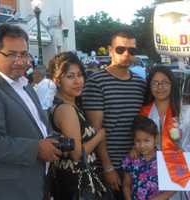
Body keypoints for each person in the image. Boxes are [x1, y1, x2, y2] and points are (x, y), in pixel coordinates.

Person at [0, 24, 61, 200]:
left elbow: (39, 125)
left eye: (24, 54)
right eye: (12, 54)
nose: (20, 61)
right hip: (10, 190)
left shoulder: (26, 85)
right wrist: (36, 149)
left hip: (36, 183)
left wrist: (52, 139)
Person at [82, 30, 146, 199]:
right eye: (120, 49)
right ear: (110, 50)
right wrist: (107, 167)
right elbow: (96, 130)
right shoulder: (96, 81)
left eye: (131, 50)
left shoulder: (140, 84)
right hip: (108, 166)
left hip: (135, 163)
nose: (126, 54)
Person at [47, 51, 107, 200]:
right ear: (57, 80)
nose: (77, 81)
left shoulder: (67, 104)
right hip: (76, 183)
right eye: (70, 76)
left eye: (79, 75)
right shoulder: (66, 110)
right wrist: (100, 135)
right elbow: (77, 154)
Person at [140, 66, 183, 200]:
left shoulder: (185, 113)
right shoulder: (144, 113)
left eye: (164, 82)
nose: (160, 87)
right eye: (155, 83)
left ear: (172, 84)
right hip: (151, 174)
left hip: (180, 172)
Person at [122, 115, 174, 200]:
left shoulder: (165, 159)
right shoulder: (131, 159)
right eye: (138, 141)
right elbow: (126, 185)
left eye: (146, 140)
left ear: (156, 138)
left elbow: (172, 188)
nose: (142, 146)